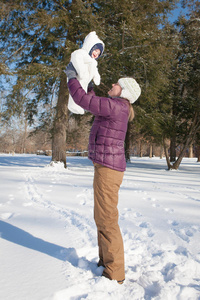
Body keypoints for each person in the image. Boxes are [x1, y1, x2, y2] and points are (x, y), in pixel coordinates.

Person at [65, 63, 141, 284]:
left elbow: (83, 101)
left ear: (123, 92)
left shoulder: (117, 106)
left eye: (118, 84)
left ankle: (115, 272)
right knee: (102, 217)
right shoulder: (115, 106)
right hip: (105, 166)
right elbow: (92, 103)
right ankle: (106, 262)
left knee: (107, 219)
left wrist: (72, 77)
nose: (113, 84)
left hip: (108, 169)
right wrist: (87, 82)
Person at [66, 31, 104, 114]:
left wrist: (96, 77)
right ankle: (73, 105)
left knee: (82, 92)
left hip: (86, 80)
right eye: (96, 50)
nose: (96, 54)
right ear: (91, 47)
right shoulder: (81, 53)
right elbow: (76, 58)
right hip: (78, 76)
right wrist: (81, 71)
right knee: (75, 91)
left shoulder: (93, 62)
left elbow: (95, 70)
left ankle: (79, 106)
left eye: (98, 53)